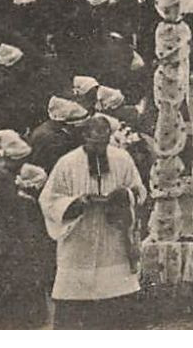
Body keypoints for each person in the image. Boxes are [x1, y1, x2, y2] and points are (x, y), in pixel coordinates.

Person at [38, 114, 147, 329]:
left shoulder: (121, 159)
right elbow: (49, 199)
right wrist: (75, 204)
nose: (100, 149)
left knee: (118, 310)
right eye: (95, 143)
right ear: (84, 138)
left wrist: (124, 197)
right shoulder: (67, 163)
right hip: (79, 242)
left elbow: (139, 190)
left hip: (112, 243)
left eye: (104, 143)